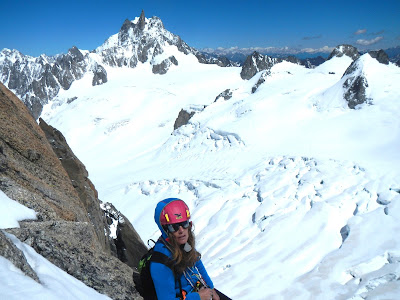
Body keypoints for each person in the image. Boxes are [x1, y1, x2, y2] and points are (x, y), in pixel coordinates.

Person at [151, 198, 230, 300]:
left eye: (184, 224)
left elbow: (197, 262)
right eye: (174, 227)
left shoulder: (183, 245)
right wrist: (198, 297)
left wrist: (211, 288)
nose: (181, 230)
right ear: (165, 229)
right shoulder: (161, 262)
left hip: (198, 290)